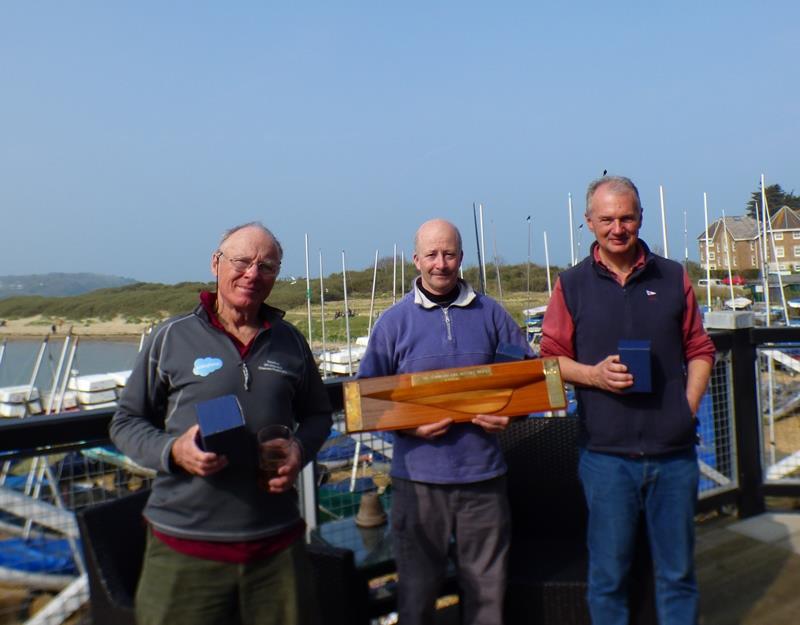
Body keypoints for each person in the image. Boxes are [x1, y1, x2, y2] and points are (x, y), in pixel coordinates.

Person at [110, 222, 332, 625]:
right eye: (242, 261)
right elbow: (126, 421)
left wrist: (300, 449)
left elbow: (318, 414)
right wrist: (173, 451)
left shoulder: (291, 341)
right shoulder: (170, 337)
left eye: (266, 266)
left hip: (276, 545)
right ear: (216, 263)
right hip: (184, 546)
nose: (252, 274)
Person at [540, 176, 716, 625]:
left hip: (673, 456)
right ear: (588, 222)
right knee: (608, 579)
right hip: (605, 458)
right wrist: (594, 375)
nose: (617, 228)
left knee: (677, 576)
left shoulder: (674, 275)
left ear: (640, 218)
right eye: (606, 219)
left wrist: (688, 408)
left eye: (626, 218)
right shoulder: (571, 285)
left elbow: (700, 350)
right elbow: (550, 361)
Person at [357, 218, 534, 625]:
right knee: (416, 597)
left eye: (449, 253)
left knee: (488, 596)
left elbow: (527, 377)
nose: (441, 264)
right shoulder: (392, 323)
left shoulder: (492, 314)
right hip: (417, 485)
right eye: (432, 255)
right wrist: (408, 426)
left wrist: (509, 411)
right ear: (416, 260)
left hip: (484, 479)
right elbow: (367, 400)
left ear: (461, 257)